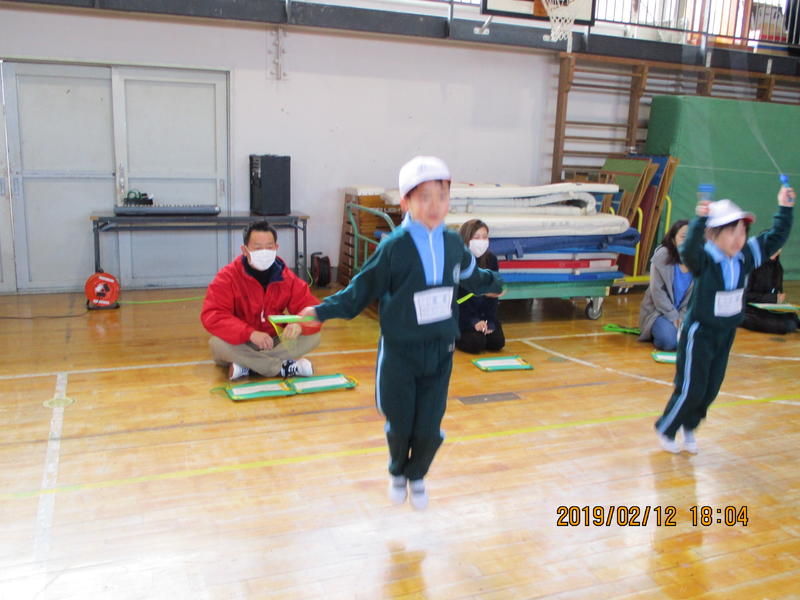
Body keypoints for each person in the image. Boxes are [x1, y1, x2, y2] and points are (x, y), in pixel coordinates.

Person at [300, 156, 503, 510]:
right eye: (424, 197)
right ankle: (397, 470)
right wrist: (320, 310)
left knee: (429, 427)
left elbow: (473, 276)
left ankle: (417, 474)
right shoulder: (394, 247)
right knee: (400, 422)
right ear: (406, 202)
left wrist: (496, 283)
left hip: (440, 351)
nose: (435, 205)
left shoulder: (453, 244)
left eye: (442, 196)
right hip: (400, 354)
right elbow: (359, 291)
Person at [655, 186, 794, 454]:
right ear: (712, 234)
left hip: (725, 333)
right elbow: (689, 251)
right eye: (731, 232)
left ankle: (690, 426)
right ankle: (667, 428)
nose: (738, 238)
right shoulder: (704, 259)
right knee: (691, 387)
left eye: (742, 232)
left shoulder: (745, 256)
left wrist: (785, 208)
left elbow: (775, 237)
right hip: (700, 333)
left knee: (710, 389)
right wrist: (700, 220)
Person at [201, 221, 321, 380]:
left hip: (275, 341)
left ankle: (249, 367)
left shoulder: (286, 277)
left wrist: (299, 324)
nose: (264, 252)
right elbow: (213, 315)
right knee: (217, 344)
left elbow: (312, 309)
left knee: (313, 337)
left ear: (276, 248)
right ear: (244, 250)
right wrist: (249, 333)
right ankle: (279, 368)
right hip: (242, 342)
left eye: (269, 247)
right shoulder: (227, 277)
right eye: (258, 248)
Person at [638, 220, 692, 351]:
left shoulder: (699, 261)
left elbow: (695, 298)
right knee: (669, 342)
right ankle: (655, 330)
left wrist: (682, 318)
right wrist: (674, 317)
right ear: (673, 240)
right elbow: (657, 292)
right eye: (683, 237)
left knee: (697, 341)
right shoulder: (662, 255)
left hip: (684, 314)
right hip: (659, 312)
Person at [455, 219, 505, 354]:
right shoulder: (457, 260)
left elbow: (493, 297)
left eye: (484, 237)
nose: (481, 241)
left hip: (482, 313)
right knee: (476, 343)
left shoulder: (491, 259)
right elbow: (457, 300)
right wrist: (473, 322)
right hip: (461, 316)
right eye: (476, 237)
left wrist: (489, 321)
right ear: (466, 239)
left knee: (497, 342)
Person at [741, 246, 799, 334]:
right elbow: (744, 295)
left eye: (778, 248)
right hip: (747, 309)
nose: (776, 251)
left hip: (765, 308)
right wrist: (773, 298)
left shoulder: (778, 268)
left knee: (793, 317)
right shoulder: (751, 267)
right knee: (786, 325)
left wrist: (779, 297)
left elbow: (776, 291)